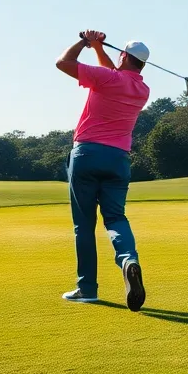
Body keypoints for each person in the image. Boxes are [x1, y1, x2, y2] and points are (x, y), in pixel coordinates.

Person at [55, 30, 151, 311]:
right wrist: (98, 48)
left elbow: (63, 63)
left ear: (123, 56)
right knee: (116, 218)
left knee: (84, 225)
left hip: (87, 155)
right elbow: (115, 73)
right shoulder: (142, 90)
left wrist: (84, 42)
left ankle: (87, 289)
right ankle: (128, 259)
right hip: (119, 160)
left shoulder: (107, 78)